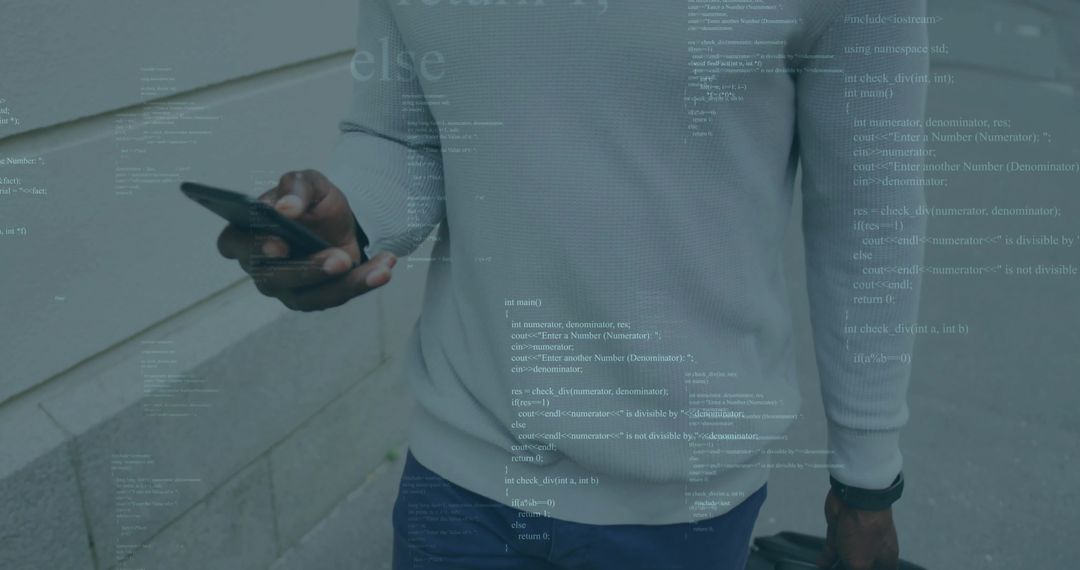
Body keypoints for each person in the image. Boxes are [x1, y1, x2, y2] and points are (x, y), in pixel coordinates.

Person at [217, 0, 929, 568]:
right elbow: (402, 133)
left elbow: (868, 212)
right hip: (458, 476)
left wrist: (867, 476)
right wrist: (348, 225)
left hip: (681, 506)